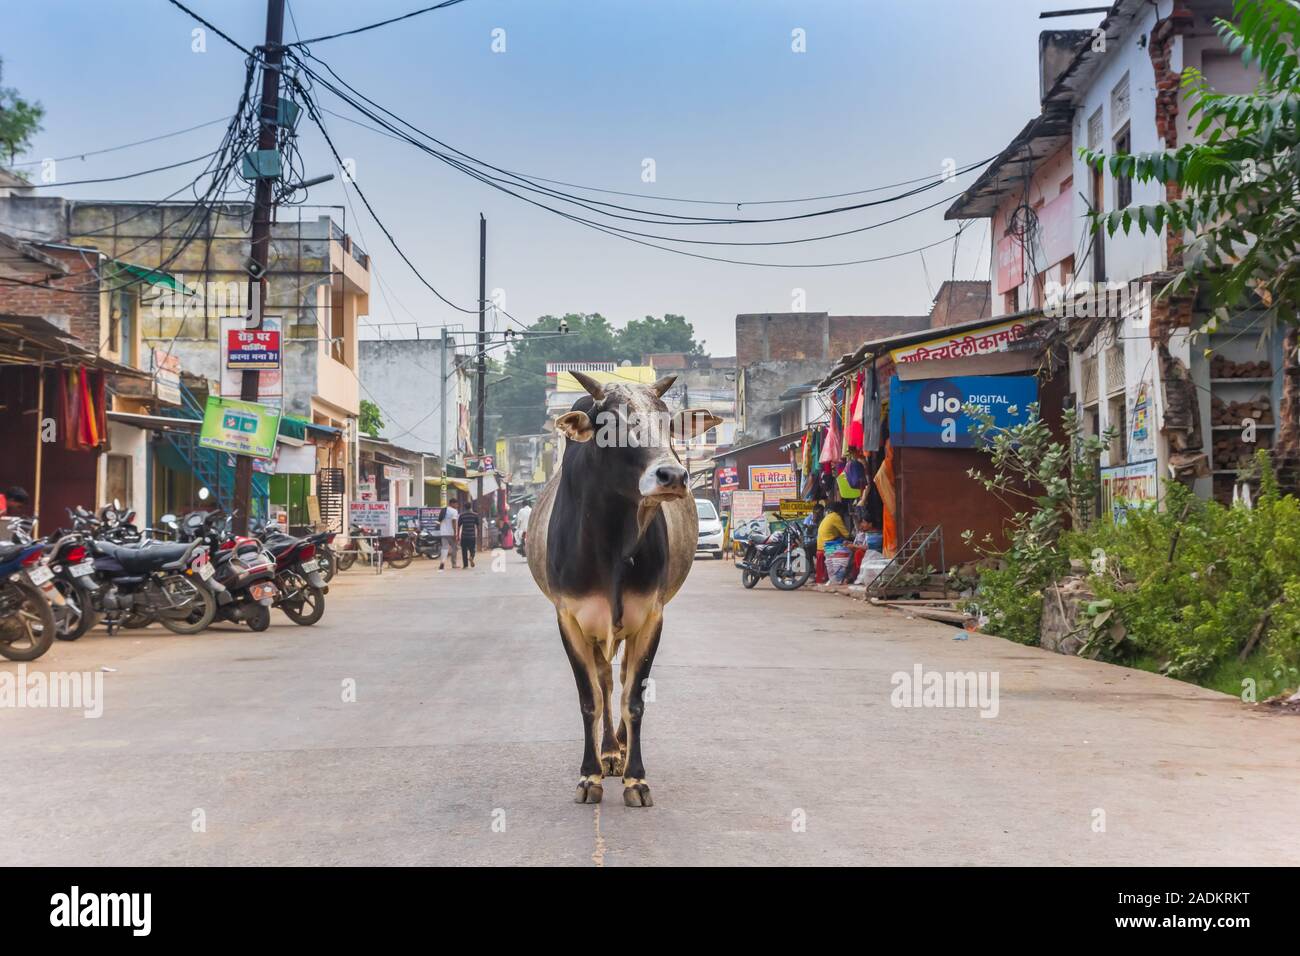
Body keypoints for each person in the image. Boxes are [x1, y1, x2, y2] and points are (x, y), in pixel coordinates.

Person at [816, 502, 851, 584]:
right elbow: (846, 534)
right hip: (828, 546)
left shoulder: (828, 516)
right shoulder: (836, 517)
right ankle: (843, 577)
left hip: (821, 545)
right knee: (849, 553)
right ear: (840, 510)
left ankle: (835, 578)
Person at [437, 499, 459, 571]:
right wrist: (455, 533)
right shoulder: (454, 511)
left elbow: (439, 520)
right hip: (451, 533)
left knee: (444, 547)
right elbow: (454, 522)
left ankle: (442, 562)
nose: (457, 505)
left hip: (443, 532)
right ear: (452, 503)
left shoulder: (444, 510)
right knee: (454, 548)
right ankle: (454, 564)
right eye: (456, 504)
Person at [459, 501, 482, 569]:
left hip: (464, 536)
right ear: (471, 507)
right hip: (472, 536)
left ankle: (465, 565)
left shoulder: (462, 515)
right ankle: (471, 557)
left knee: (464, 550)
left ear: (464, 507)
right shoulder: (475, 515)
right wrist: (478, 534)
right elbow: (478, 526)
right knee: (472, 549)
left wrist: (457, 535)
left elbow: (459, 526)